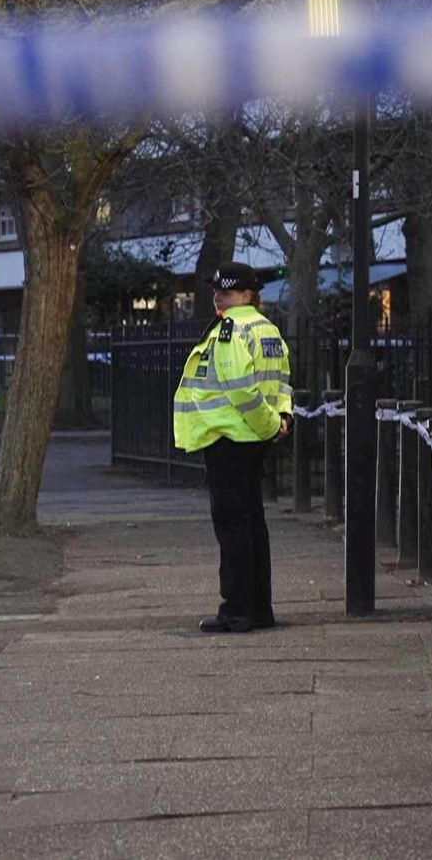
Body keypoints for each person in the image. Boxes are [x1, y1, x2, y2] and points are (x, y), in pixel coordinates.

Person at [173, 262, 293, 634]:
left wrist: (268, 424)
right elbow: (282, 383)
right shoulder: (267, 329)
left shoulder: (231, 330)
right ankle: (259, 608)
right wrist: (280, 421)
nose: (218, 297)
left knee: (232, 527)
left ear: (246, 295)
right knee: (252, 522)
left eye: (226, 292)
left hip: (230, 437)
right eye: (216, 291)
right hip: (253, 438)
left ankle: (237, 610)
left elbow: (242, 389)